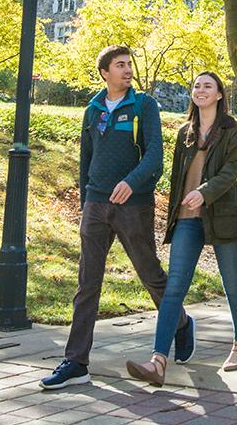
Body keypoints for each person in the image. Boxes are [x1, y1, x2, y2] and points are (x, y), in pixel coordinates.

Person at [40, 45, 193, 390]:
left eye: (129, 64)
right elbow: (86, 159)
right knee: (87, 283)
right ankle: (76, 362)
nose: (127, 70)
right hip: (96, 204)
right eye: (120, 65)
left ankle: (180, 322)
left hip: (133, 205)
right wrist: (85, 200)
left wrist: (131, 183)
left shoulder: (143, 105)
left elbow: (155, 156)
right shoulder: (93, 110)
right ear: (105, 72)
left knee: (150, 274)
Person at [126, 71, 237, 386]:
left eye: (208, 85)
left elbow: (231, 171)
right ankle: (158, 361)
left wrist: (204, 192)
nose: (201, 90)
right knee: (174, 289)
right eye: (196, 85)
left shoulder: (232, 131)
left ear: (220, 94)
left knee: (232, 284)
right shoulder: (185, 132)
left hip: (222, 216)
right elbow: (179, 178)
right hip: (187, 218)